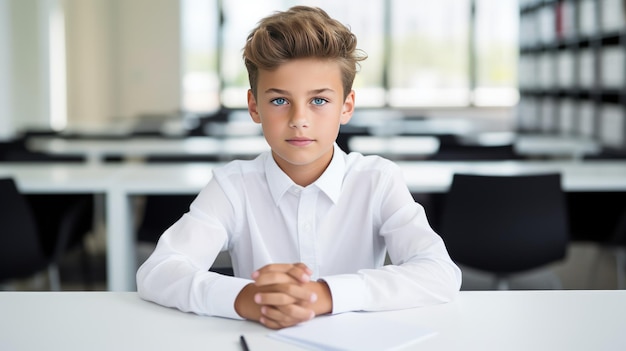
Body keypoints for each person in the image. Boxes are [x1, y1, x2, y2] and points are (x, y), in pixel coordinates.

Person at [137, 5, 461, 330]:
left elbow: (440, 272)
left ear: (346, 107)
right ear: (254, 106)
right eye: (279, 100)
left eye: (319, 100)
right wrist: (246, 299)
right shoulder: (233, 185)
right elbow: (158, 271)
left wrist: (324, 294)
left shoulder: (377, 180)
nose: (299, 120)